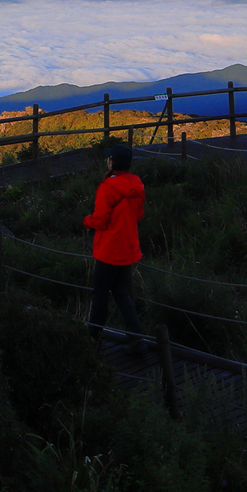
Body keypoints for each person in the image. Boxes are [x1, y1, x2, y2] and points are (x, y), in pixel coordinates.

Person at [82, 139, 146, 346]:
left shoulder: (107, 187)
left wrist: (87, 221)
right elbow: (138, 215)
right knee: (121, 294)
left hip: (109, 249)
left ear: (112, 162)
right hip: (128, 248)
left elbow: (100, 220)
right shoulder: (136, 184)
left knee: (100, 295)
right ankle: (136, 339)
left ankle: (93, 337)